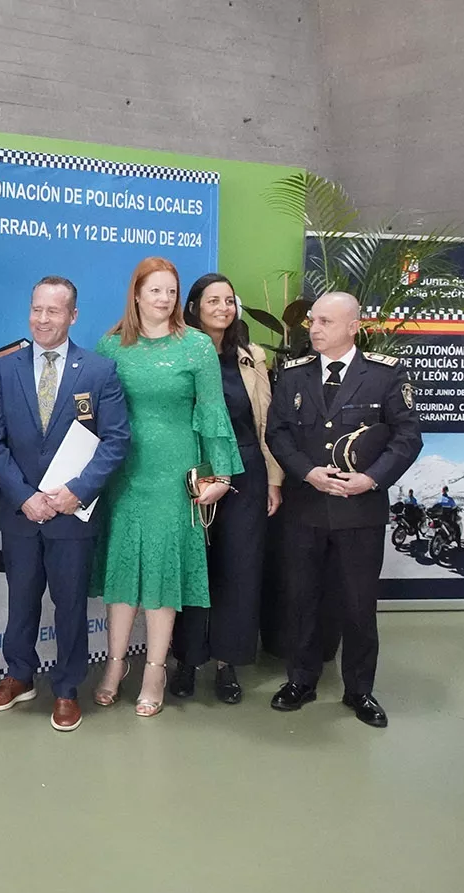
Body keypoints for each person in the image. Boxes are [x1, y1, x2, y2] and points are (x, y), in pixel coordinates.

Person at [0, 277, 130, 731]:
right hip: (21, 512)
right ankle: (18, 676)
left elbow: (115, 440)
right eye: (36, 309)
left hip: (71, 514)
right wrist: (23, 497)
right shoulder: (3, 370)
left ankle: (66, 688)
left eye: (54, 311)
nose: (43, 319)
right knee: (20, 600)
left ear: (73, 316)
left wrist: (76, 492)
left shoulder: (99, 371)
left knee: (69, 605)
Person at [91, 257, 241, 717]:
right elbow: (91, 415)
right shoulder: (111, 346)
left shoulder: (195, 346)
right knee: (121, 575)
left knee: (162, 576)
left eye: (171, 292)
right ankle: (114, 666)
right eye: (155, 290)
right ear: (136, 294)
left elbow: (213, 412)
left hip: (176, 475)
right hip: (123, 474)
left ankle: (154, 670)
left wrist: (220, 476)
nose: (163, 299)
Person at [266, 291, 422, 727]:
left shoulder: (384, 375)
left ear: (354, 326)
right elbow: (277, 434)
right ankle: (301, 679)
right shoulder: (294, 374)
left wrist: (371, 478)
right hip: (307, 507)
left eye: (326, 322)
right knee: (302, 600)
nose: (314, 328)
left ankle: (360, 690)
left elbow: (407, 438)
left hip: (361, 511)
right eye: (313, 321)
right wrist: (306, 472)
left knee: (357, 604)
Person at [168, 273, 284, 704]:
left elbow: (266, 422)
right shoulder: (179, 351)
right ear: (194, 306)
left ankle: (227, 663)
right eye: (213, 300)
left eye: (229, 301)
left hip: (247, 472)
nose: (223, 307)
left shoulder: (252, 356)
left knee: (239, 568)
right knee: (194, 568)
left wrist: (273, 479)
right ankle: (186, 660)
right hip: (193, 474)